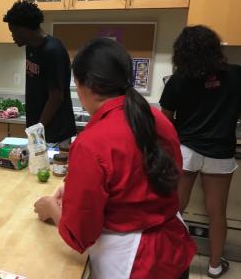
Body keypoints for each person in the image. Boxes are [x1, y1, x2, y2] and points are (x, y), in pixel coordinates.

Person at [34, 38, 196, 278]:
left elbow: (80, 234)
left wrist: (50, 207)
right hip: (174, 250)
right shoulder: (157, 119)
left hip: (135, 264)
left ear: (83, 85)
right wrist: (75, 190)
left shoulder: (91, 142)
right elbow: (141, 181)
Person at [160, 25, 241, 278]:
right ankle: (215, 266)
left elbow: (165, 118)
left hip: (186, 150)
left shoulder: (179, 78)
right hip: (220, 152)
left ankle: (169, 259)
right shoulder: (237, 75)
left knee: (176, 209)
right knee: (217, 212)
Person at [3, 0, 76, 145]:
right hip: (38, 130)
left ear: (23, 30)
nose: (12, 36)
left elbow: (56, 97)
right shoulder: (30, 46)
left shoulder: (53, 51)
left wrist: (38, 128)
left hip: (55, 133)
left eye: (13, 31)